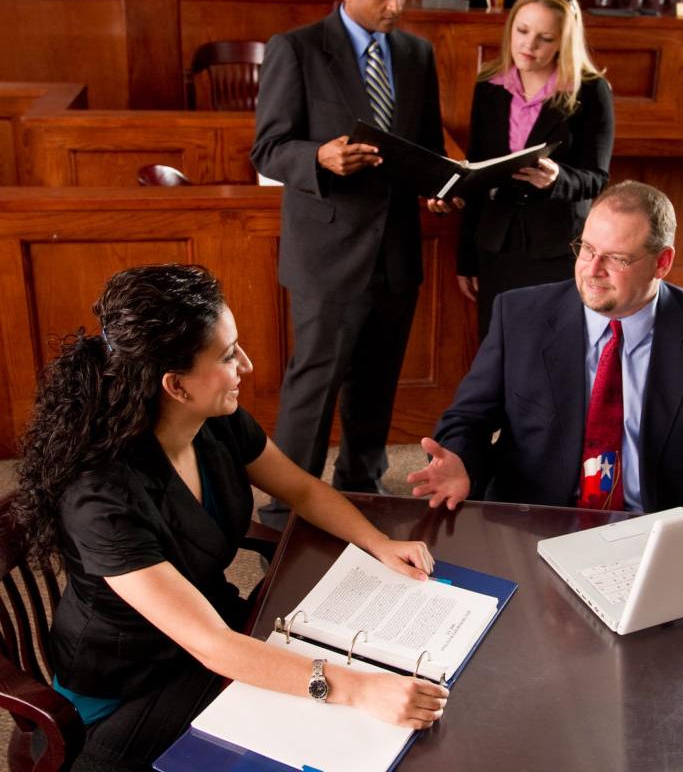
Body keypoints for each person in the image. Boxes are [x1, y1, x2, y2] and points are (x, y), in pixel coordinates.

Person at [14, 263, 448, 772]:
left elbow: (302, 489)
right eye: (226, 355)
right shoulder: (100, 499)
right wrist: (358, 689)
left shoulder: (215, 419)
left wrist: (378, 542)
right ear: (175, 385)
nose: (246, 363)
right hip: (129, 685)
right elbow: (212, 646)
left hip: (212, 627)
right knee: (328, 725)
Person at [408, 180, 683, 512]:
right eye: (586, 248)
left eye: (616, 258)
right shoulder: (520, 316)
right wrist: (462, 460)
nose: (591, 269)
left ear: (662, 262)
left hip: (657, 524)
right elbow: (467, 419)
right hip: (538, 519)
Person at [251, 0, 444, 514]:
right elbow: (267, 148)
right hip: (328, 254)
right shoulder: (297, 49)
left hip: (396, 253)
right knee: (314, 386)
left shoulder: (416, 54)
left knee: (377, 382)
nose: (396, 5)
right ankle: (286, 506)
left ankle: (361, 482)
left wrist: (443, 187)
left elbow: (426, 146)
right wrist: (319, 156)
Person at [457, 0, 614, 337]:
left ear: (564, 42)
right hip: (496, 245)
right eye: (522, 31)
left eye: (545, 38)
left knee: (550, 352)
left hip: (557, 247)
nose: (529, 45)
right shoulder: (489, 87)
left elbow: (596, 176)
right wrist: (466, 258)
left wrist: (558, 180)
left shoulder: (590, 91)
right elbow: (476, 177)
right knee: (497, 349)